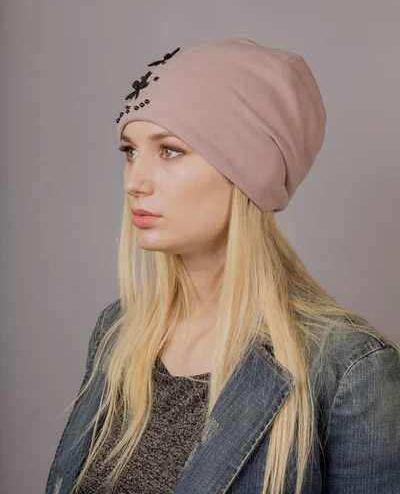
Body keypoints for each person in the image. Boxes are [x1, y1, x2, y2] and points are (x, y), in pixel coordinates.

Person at [45, 37, 400, 494]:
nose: (135, 181)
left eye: (169, 150)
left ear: (248, 171)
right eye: (130, 151)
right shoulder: (119, 333)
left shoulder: (351, 373)